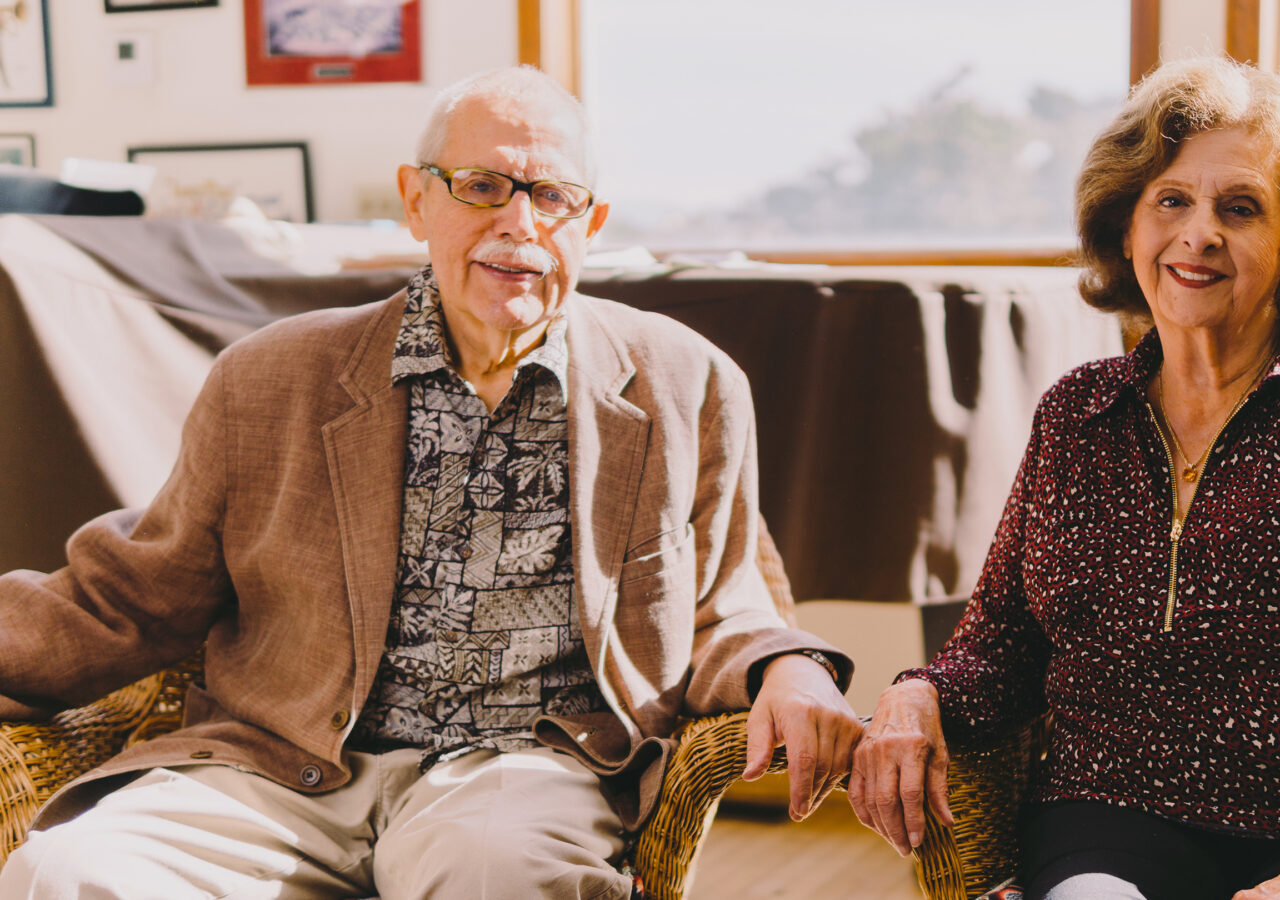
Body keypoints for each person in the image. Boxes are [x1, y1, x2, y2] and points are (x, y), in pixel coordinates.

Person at [0, 65, 860, 900]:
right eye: (482, 185)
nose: (519, 221)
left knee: (497, 878)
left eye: (551, 195)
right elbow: (132, 593)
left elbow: (728, 598)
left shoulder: (685, 382)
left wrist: (788, 669)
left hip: (526, 766)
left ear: (589, 222)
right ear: (417, 200)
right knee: (64, 875)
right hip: (279, 762)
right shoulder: (269, 378)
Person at [848, 56, 1280, 900]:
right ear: (1126, 228)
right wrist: (912, 698)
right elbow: (1001, 644)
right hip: (1127, 805)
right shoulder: (1077, 416)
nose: (1199, 233)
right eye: (1171, 200)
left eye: (1242, 208)